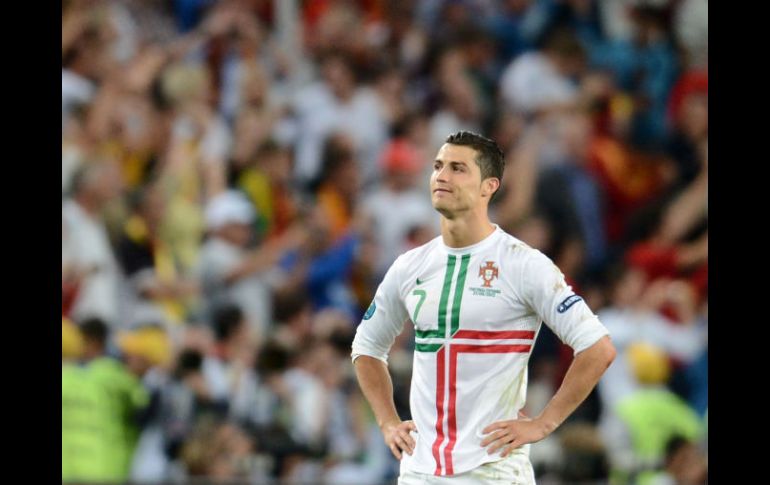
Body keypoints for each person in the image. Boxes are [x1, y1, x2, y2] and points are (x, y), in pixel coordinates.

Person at [351, 131, 616, 484]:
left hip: (494, 472)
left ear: (488, 186)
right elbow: (367, 347)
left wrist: (544, 422)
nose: (442, 176)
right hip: (420, 472)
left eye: (458, 168)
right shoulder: (409, 267)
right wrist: (387, 421)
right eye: (437, 166)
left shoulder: (524, 265)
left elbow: (598, 347)